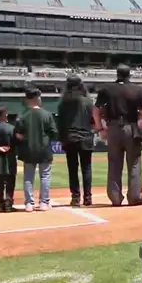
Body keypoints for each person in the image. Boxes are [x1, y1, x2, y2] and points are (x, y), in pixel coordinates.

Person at [93, 64, 142, 207]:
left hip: (112, 128)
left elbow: (96, 110)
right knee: (134, 162)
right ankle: (135, 196)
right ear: (129, 74)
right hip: (131, 127)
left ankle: (115, 198)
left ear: (117, 74)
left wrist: (100, 128)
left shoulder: (106, 89)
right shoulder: (138, 89)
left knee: (114, 163)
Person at [14, 87, 58, 212]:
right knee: (45, 176)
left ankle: (29, 203)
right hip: (44, 149)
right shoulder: (47, 114)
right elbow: (54, 133)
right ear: (37, 98)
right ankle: (44, 202)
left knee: (28, 177)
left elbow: (18, 135)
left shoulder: (23, 116)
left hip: (28, 149)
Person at [58, 75, 95, 207]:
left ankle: (75, 197)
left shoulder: (63, 102)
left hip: (70, 137)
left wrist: (62, 139)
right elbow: (93, 121)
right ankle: (88, 197)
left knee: (72, 169)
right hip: (86, 136)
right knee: (86, 168)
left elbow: (60, 123)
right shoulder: (88, 101)